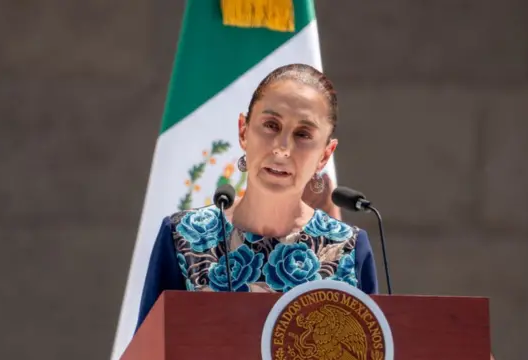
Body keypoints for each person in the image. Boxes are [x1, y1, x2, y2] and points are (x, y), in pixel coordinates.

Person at [134, 64, 378, 332]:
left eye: (303, 134)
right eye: (271, 125)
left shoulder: (348, 250)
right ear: (243, 131)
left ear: (325, 154)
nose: (282, 148)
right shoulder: (183, 237)